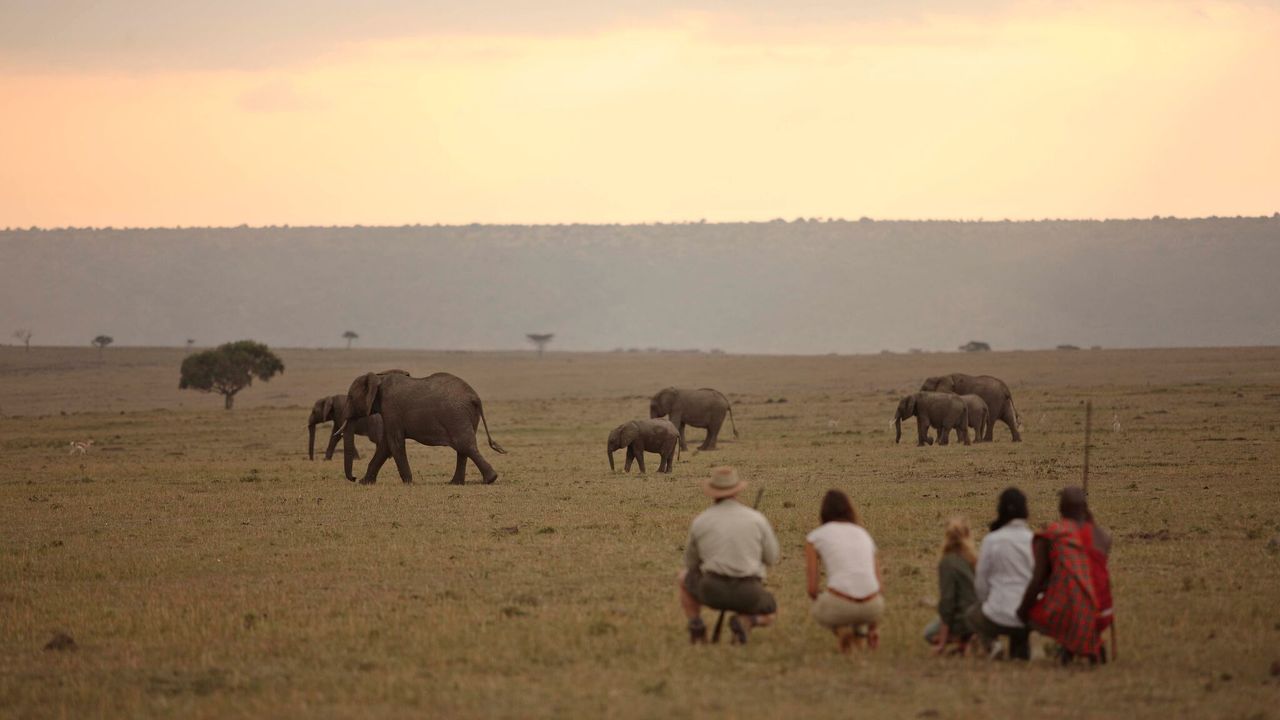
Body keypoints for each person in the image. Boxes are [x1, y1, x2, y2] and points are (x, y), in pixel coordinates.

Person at [678, 467, 780, 644]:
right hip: (749, 591)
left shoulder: (701, 520)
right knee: (771, 611)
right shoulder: (756, 519)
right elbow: (772, 558)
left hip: (712, 590)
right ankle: (748, 620)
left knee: (682, 578)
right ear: (737, 491)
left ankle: (696, 625)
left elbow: (690, 563)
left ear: (713, 493)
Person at [1017, 486, 1110, 664]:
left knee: (1041, 610)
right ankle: (1084, 642)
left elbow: (1038, 580)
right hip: (1103, 612)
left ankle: (1056, 646)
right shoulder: (1103, 537)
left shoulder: (1054, 534)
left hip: (1072, 612)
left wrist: (1021, 611)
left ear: (1061, 509)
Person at [805, 489, 884, 653]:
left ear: (823, 512)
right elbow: (879, 587)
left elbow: (812, 590)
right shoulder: (863, 534)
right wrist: (873, 627)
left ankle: (842, 631)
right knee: (859, 609)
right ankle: (860, 634)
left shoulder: (814, 537)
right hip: (873, 608)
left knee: (818, 608)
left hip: (841, 606)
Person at [969, 487, 1035, 660]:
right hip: (1028, 615)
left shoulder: (991, 540)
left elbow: (981, 584)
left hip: (996, 613)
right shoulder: (1033, 540)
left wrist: (987, 602)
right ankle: (1021, 648)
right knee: (1021, 623)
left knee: (971, 614)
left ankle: (992, 644)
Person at [922, 517, 977, 655]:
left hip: (963, 617)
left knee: (929, 633)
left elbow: (948, 602)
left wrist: (942, 643)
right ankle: (968, 639)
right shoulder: (974, 559)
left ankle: (960, 637)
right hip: (981, 615)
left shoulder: (947, 563)